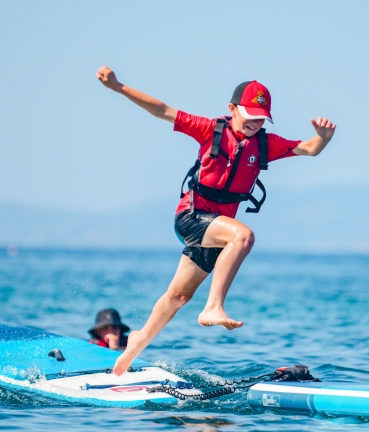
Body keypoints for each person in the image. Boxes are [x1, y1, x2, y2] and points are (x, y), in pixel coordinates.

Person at [95, 65, 336, 376]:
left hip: (215, 230)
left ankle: (131, 351)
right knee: (244, 237)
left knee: (178, 296)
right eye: (249, 115)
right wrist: (118, 87)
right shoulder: (210, 130)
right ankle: (213, 307)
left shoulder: (264, 144)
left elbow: (310, 149)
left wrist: (324, 138)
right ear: (232, 109)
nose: (254, 123)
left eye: (261, 118)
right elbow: (161, 109)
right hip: (191, 217)